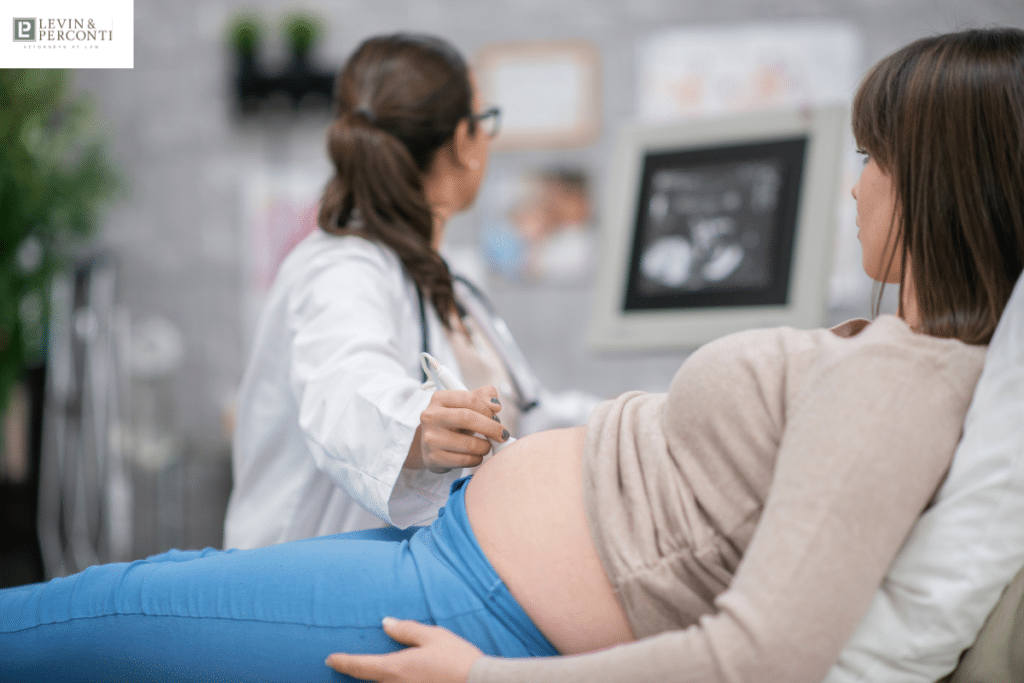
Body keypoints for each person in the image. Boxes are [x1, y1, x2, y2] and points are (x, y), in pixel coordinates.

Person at [1, 26, 1022, 683]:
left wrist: (484, 678)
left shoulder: (902, 380)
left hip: (479, 601)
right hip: (449, 552)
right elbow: (353, 377)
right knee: (140, 587)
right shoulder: (355, 267)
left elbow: (757, 654)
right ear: (457, 145)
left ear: (940, 181)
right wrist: (420, 425)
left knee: (98, 611)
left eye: (871, 160)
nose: (853, 189)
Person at [223, 33, 597, 548]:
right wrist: (416, 430)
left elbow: (528, 415)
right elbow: (345, 388)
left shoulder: (445, 279)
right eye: (485, 121)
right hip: (308, 581)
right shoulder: (340, 269)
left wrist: (637, 419)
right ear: (465, 143)